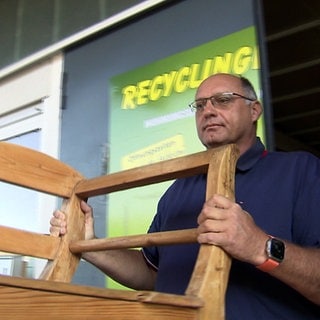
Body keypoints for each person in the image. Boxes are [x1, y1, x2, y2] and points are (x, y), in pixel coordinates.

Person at [50, 73, 320, 319]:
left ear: (254, 110)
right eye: (200, 105)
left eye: (223, 100)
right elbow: (152, 274)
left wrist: (258, 245)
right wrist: (89, 245)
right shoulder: (177, 191)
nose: (209, 111)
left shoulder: (300, 171)